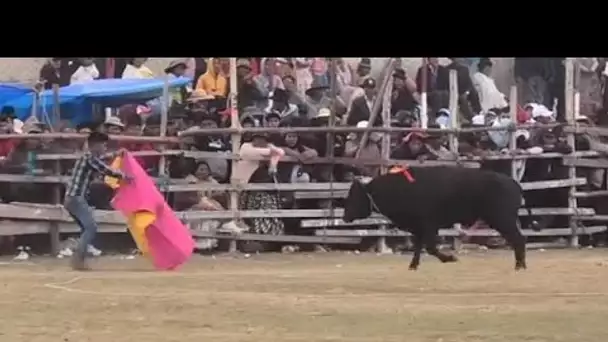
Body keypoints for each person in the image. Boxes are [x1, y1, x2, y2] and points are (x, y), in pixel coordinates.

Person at [63, 132, 131, 270]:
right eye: (103, 145)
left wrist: (116, 154)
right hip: (76, 198)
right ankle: (78, 259)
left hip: (72, 198)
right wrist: (125, 176)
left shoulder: (88, 157)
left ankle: (79, 257)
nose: (105, 148)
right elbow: (105, 169)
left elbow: (101, 160)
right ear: (94, 145)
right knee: (91, 228)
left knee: (86, 229)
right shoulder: (89, 157)